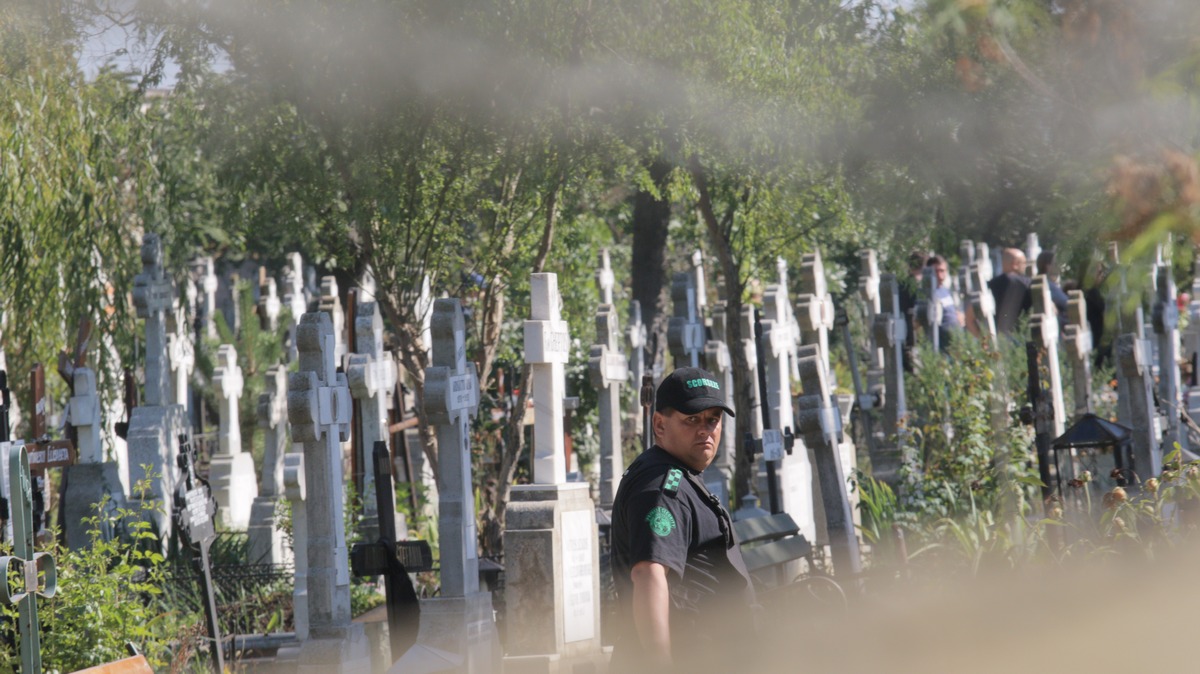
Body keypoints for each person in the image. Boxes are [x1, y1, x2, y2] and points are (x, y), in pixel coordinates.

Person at [610, 367, 758, 673]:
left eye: (713, 419)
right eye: (691, 419)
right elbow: (649, 574)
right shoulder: (663, 488)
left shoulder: (677, 475)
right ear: (660, 425)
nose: (705, 430)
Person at [987, 247, 1032, 335]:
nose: (1025, 266)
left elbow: (970, 317)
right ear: (1015, 264)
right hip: (1024, 336)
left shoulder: (990, 285)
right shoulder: (1027, 283)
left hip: (999, 338)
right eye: (1023, 263)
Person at [925, 255, 964, 349]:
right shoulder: (927, 293)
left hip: (956, 342)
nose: (939, 275)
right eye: (936, 271)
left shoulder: (945, 290)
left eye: (942, 271)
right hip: (941, 345)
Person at [1036, 250, 1069, 319]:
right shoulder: (1048, 285)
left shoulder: (1039, 282)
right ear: (1048, 266)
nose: (1059, 266)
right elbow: (1067, 304)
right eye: (1056, 264)